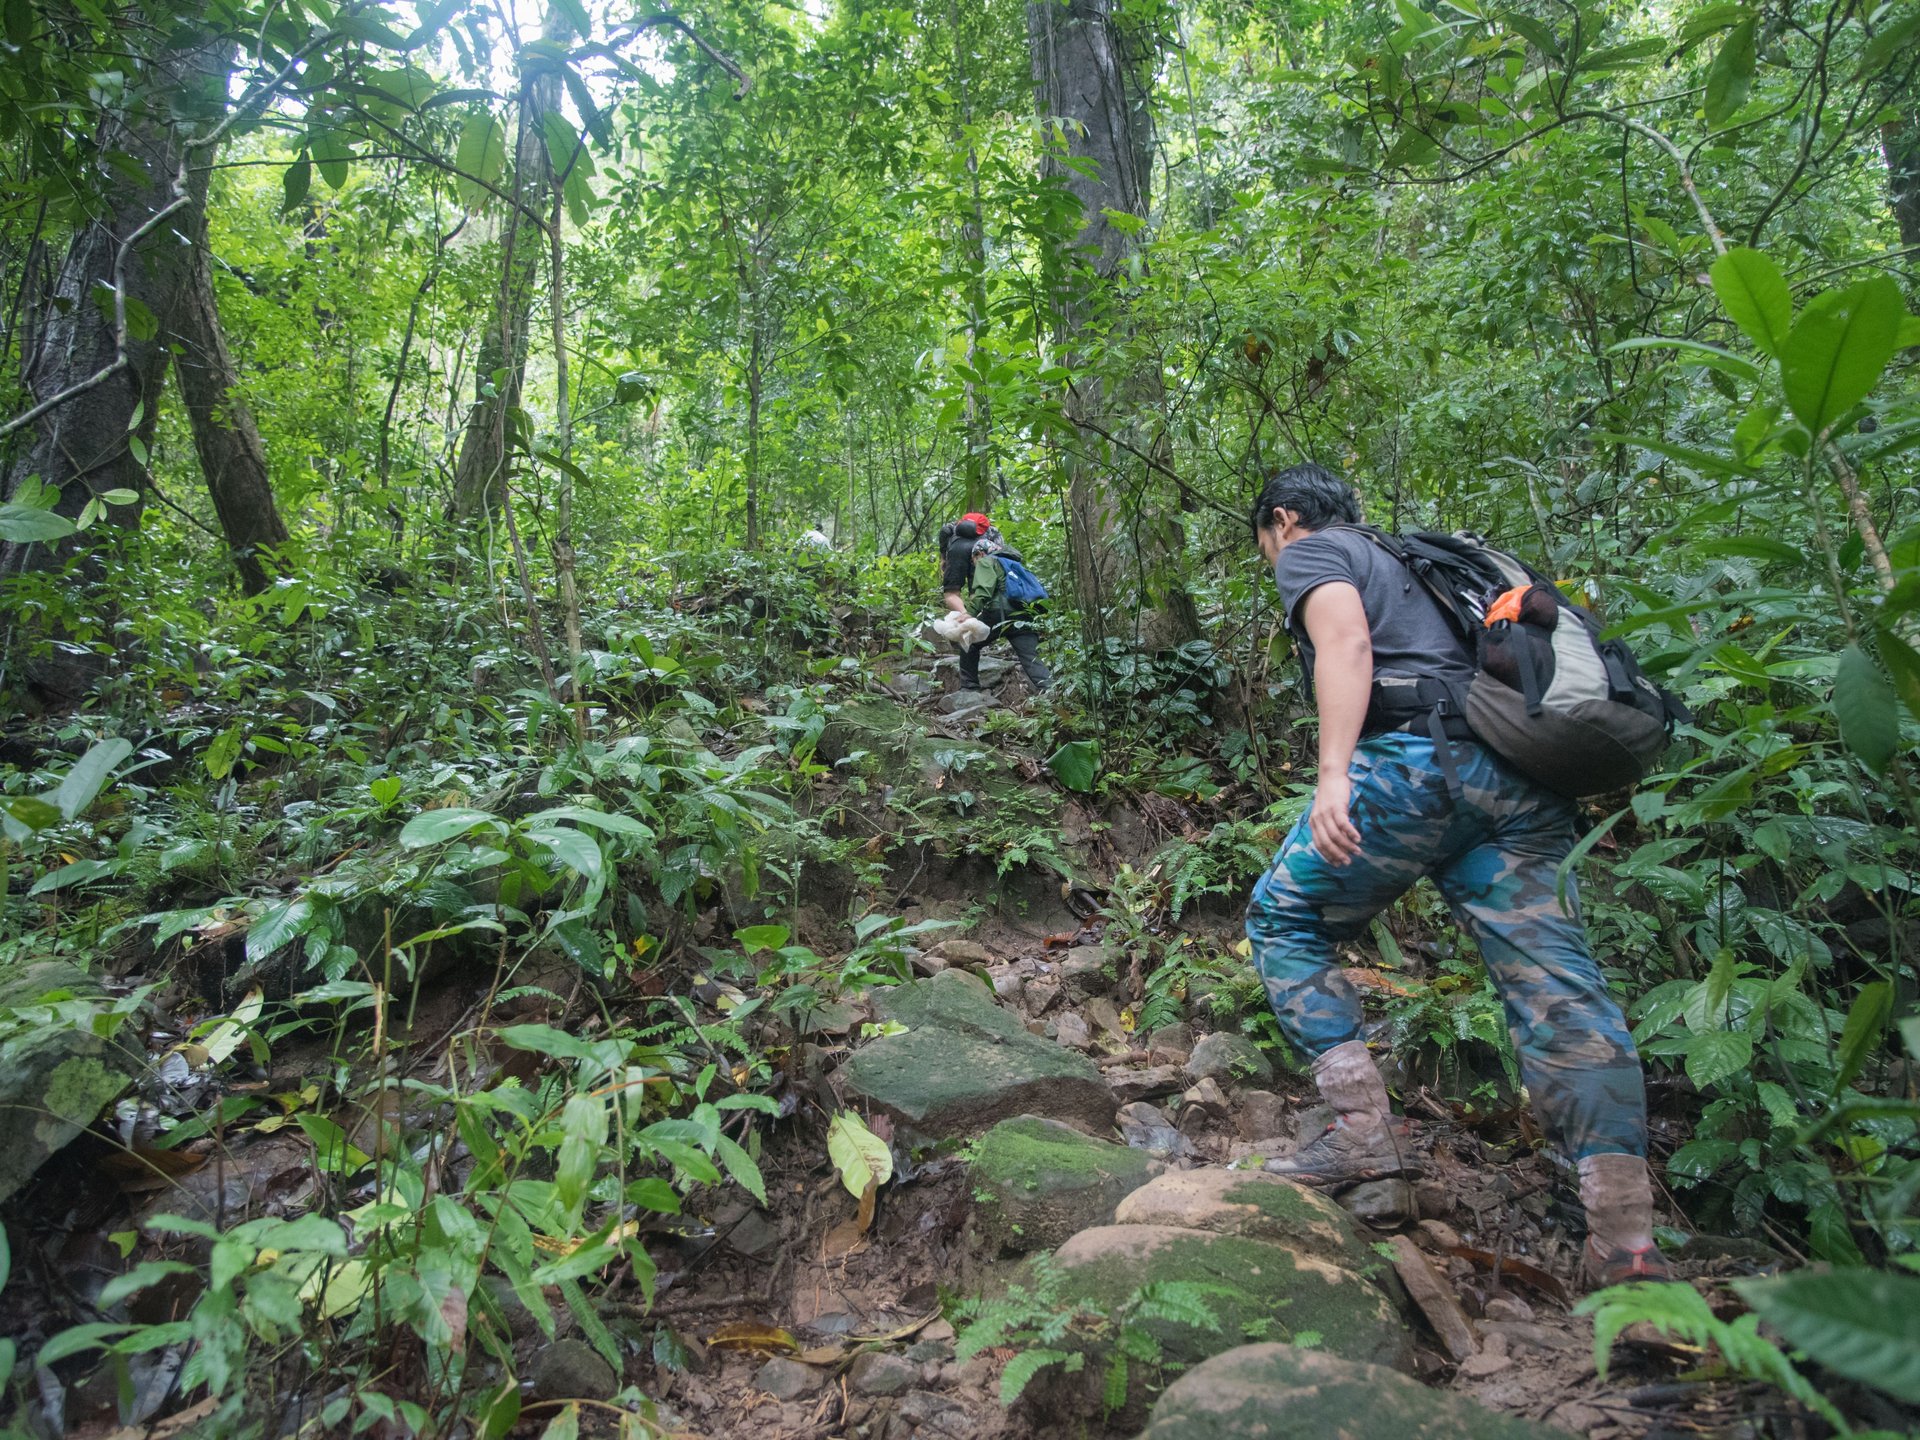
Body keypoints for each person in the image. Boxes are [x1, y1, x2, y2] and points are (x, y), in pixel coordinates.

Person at [1244, 462, 1670, 1289]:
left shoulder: (1314, 551)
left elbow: (1346, 642)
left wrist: (1334, 773)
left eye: (1266, 540)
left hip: (1414, 767)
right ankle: (1626, 1245)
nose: (1271, 557)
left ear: (1284, 519)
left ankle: (1364, 1136)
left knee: (1284, 920)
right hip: (1519, 781)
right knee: (1560, 990)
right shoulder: (1423, 563)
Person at [939, 511, 1050, 694]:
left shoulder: (985, 562)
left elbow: (983, 591)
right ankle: (1049, 690)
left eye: (974, 558)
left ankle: (969, 689)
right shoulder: (1008, 560)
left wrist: (969, 615)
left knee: (969, 641)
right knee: (1030, 657)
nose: (973, 562)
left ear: (979, 553)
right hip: (1023, 614)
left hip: (999, 612)